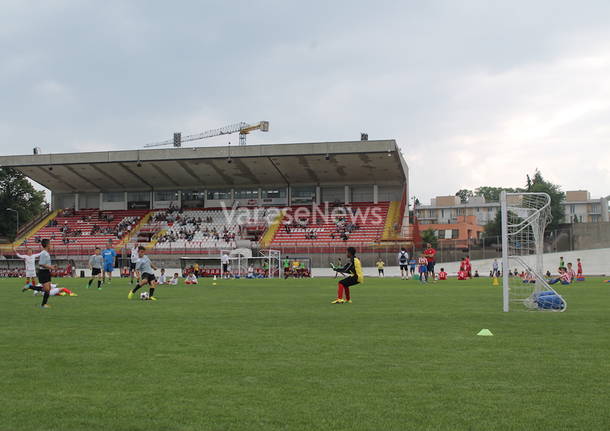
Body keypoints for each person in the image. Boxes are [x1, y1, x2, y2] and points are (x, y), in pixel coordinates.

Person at [36, 239, 57, 309]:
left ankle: (44, 304)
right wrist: (51, 267)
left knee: (48, 288)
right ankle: (43, 304)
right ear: (47, 245)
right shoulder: (43, 253)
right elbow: (41, 264)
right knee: (47, 289)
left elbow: (45, 264)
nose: (51, 246)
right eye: (50, 244)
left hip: (47, 272)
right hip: (43, 272)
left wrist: (52, 267)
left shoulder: (46, 253)